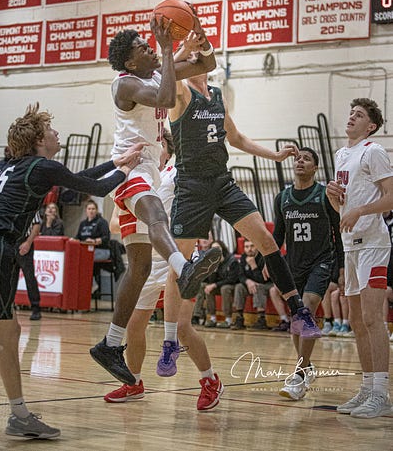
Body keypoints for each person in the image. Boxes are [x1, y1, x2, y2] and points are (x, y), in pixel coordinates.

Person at [0, 103, 144, 438]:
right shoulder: (44, 166)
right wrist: (127, 170)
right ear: (39, 139)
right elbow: (98, 188)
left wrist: (115, 162)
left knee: (11, 334)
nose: (57, 133)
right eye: (51, 130)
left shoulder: (18, 165)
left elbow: (76, 179)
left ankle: (19, 415)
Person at [90, 14, 224, 386]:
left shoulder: (151, 72)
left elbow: (206, 64)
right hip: (131, 168)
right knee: (156, 213)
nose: (150, 48)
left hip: (148, 166)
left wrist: (198, 43)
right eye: (143, 47)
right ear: (131, 62)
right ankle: (184, 268)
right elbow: (166, 95)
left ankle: (109, 343)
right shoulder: (128, 83)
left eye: (151, 46)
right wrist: (169, 50)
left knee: (140, 267)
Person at [166, 59, 322, 349]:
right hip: (192, 186)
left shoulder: (217, 94)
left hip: (222, 182)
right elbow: (171, 71)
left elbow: (235, 137)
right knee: (180, 265)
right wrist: (180, 49)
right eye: (193, 56)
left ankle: (298, 310)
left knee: (265, 238)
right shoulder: (182, 93)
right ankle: (169, 341)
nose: (198, 60)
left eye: (200, 54)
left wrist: (274, 156)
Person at [104, 130, 224, 411]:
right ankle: (133, 383)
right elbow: (112, 223)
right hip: (146, 258)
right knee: (134, 325)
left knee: (181, 327)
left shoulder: (177, 172)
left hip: (177, 253)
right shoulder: (135, 177)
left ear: (166, 147)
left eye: (156, 142)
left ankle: (210, 380)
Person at [327, 97, 393, 418]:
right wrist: (333, 199)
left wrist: (360, 210)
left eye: (359, 115)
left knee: (371, 318)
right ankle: (367, 388)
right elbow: (343, 209)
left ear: (371, 126)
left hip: (374, 244)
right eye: (350, 112)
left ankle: (381, 392)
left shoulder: (374, 151)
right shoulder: (341, 155)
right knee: (355, 320)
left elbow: (390, 197)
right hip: (350, 244)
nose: (351, 117)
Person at [271, 147, 344, 401]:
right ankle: (307, 366)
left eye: (307, 159)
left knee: (309, 306)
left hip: (321, 261)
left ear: (315, 167)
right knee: (296, 319)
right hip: (293, 264)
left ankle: (300, 374)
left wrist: (342, 267)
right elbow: (277, 235)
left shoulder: (324, 195)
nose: (300, 161)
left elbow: (338, 232)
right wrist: (267, 259)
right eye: (298, 158)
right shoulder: (282, 198)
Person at [231, 240, 273, 331]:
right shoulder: (243, 257)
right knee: (239, 287)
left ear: (257, 246)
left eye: (252, 246)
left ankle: (261, 319)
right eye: (246, 247)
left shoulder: (263, 258)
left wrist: (253, 266)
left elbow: (263, 279)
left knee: (258, 287)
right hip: (251, 284)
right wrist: (248, 281)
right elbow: (240, 275)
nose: (249, 249)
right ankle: (239, 318)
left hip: (267, 285)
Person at [201, 241, 240, 329]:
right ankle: (212, 318)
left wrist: (215, 285)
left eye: (218, 248)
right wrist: (215, 267)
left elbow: (232, 279)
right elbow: (211, 280)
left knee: (225, 288)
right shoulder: (213, 261)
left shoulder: (232, 260)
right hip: (219, 285)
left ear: (222, 248)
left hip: (233, 285)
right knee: (208, 288)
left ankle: (228, 319)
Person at [16, 212, 42, 321]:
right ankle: (7, 306)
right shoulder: (9, 203)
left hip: (25, 241)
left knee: (29, 276)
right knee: (9, 277)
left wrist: (28, 242)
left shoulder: (32, 206)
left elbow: (36, 225)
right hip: (11, 242)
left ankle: (36, 307)